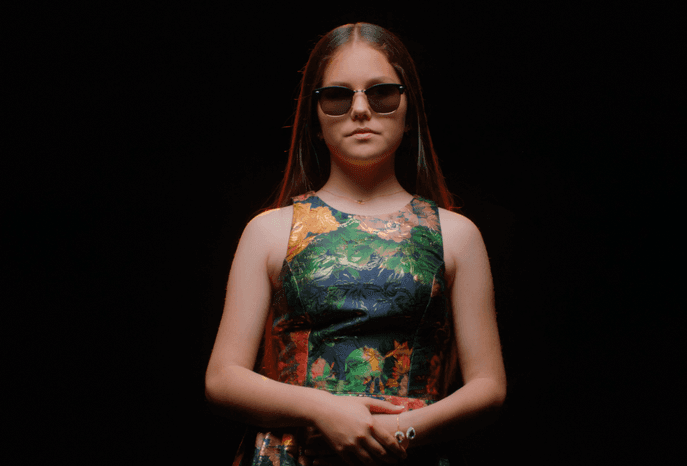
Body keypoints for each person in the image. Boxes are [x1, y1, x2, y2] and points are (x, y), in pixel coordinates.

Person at [205, 22, 506, 465]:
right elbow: (223, 378)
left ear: (409, 109)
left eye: (381, 93)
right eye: (338, 95)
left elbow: (489, 386)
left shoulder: (457, 235)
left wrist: (396, 432)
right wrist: (324, 409)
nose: (360, 110)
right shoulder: (268, 230)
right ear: (315, 115)